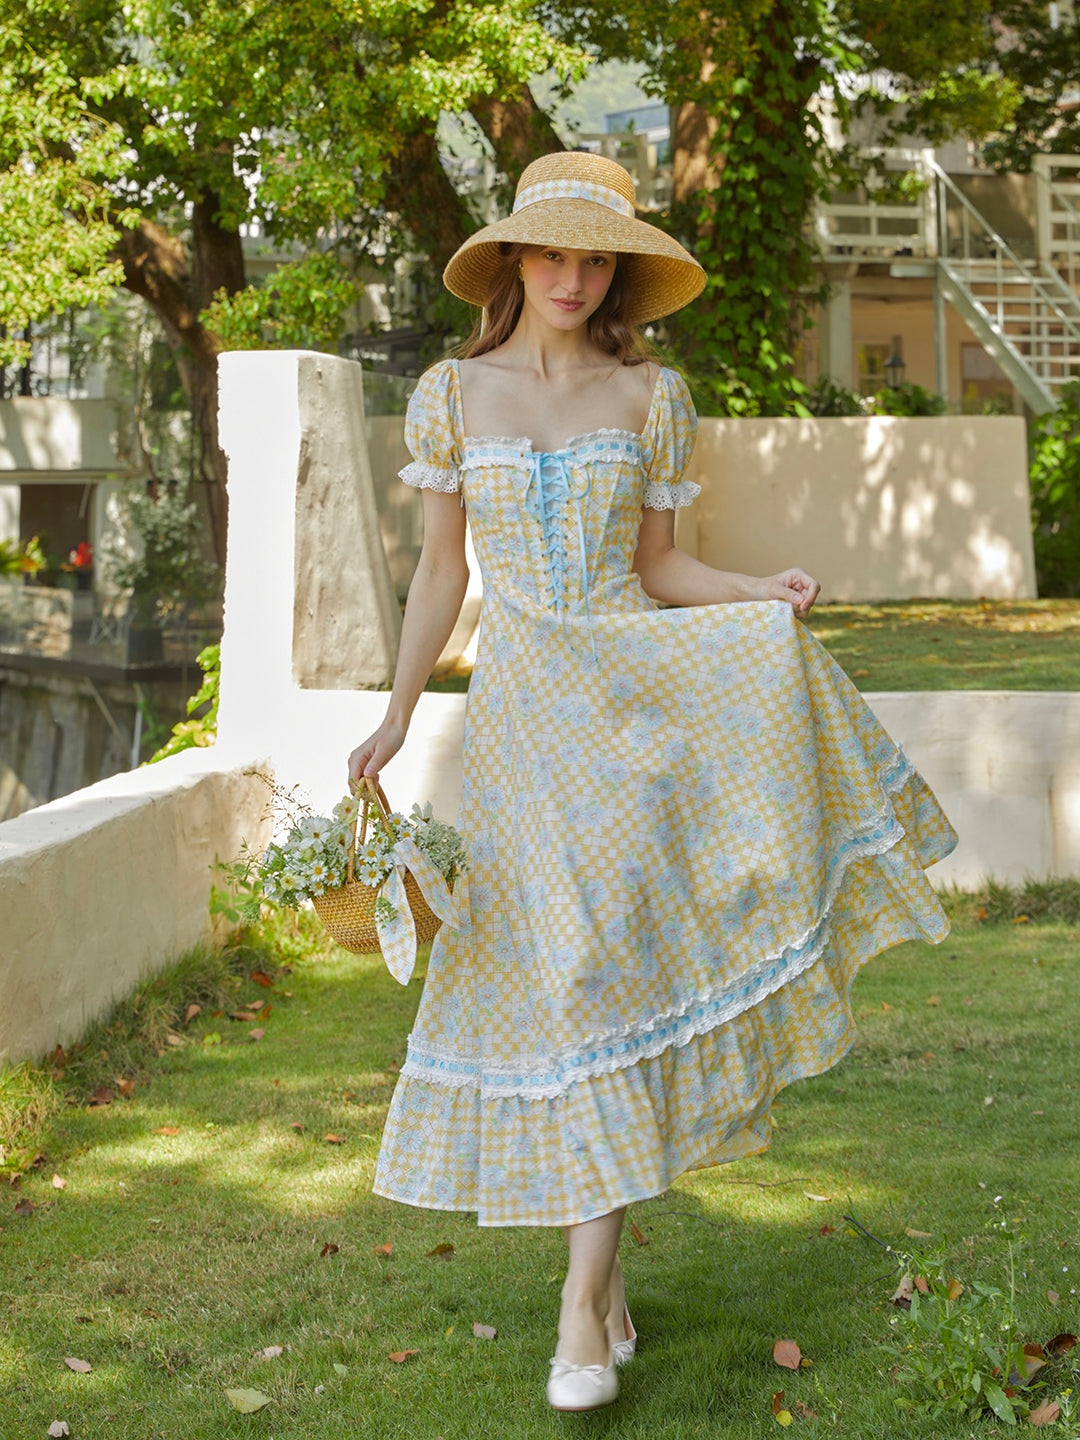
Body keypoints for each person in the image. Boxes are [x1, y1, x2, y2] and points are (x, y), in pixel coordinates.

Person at [347, 150, 957, 1413]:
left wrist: (755, 593)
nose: (572, 278)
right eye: (552, 253)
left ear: (615, 272)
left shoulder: (651, 396)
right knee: (559, 988)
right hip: (519, 729)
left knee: (605, 978)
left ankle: (581, 1307)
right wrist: (399, 713)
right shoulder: (451, 395)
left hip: (631, 717)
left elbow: (661, 568)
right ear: (516, 259)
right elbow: (441, 573)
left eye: (594, 258)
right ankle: (605, 1282)